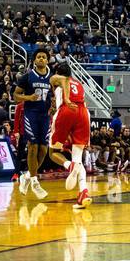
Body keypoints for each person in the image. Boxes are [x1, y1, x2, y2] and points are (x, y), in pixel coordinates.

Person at [42, 60, 93, 210]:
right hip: (83, 112)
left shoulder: (56, 78)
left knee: (52, 152)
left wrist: (65, 99)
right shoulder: (78, 83)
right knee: (78, 158)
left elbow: (63, 80)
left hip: (66, 110)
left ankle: (69, 166)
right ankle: (83, 192)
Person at [12, 49, 53, 199]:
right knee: (33, 146)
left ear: (48, 60)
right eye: (39, 57)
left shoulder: (52, 78)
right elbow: (16, 96)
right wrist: (29, 97)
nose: (41, 59)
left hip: (45, 116)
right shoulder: (26, 77)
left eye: (44, 57)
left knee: (44, 148)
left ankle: (27, 176)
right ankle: (35, 182)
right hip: (31, 114)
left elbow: (55, 95)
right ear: (34, 60)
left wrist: (54, 105)